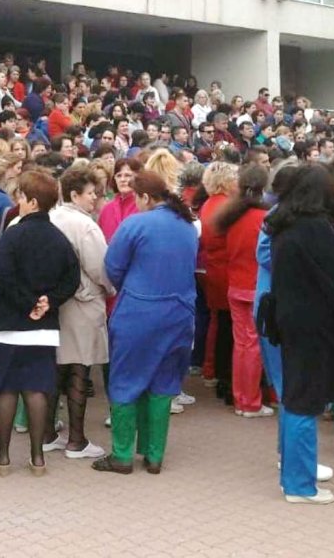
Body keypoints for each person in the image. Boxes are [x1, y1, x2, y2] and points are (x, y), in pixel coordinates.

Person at [266, 165, 334, 504]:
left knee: (295, 398)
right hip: (315, 325)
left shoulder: (282, 226)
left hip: (290, 320)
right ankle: (300, 485)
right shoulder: (317, 230)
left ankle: (292, 477)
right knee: (304, 403)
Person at [92, 171, 197, 475]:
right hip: (180, 312)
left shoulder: (135, 223)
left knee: (125, 379)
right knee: (164, 383)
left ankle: (122, 455)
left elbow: (112, 267)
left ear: (145, 197)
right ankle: (154, 455)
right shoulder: (188, 225)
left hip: (139, 311)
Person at [0, 170, 80, 476]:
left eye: (20, 196)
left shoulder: (13, 234)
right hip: (44, 328)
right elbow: (72, 279)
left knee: (7, 391)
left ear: (32, 201)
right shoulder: (60, 239)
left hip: (8, 324)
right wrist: (48, 301)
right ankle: (38, 459)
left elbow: (3, 276)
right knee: (37, 390)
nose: (17, 201)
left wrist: (27, 303)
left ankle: (3, 458)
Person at [44, 167, 114, 459]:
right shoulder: (85, 226)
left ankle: (47, 434)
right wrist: (111, 288)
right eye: (90, 194)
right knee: (79, 368)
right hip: (82, 303)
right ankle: (76, 440)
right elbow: (100, 268)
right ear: (75, 194)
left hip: (53, 303)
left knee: (56, 369)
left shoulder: (49, 217)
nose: (95, 199)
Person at [216, 163, 272, 417]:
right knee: (253, 346)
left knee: (242, 345)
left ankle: (242, 398)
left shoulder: (231, 216)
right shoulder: (264, 218)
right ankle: (249, 401)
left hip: (235, 284)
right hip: (255, 287)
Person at [197, 161, 237, 401]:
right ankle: (222, 374)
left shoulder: (209, 205)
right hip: (226, 271)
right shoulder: (225, 206)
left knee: (218, 322)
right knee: (225, 327)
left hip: (214, 269)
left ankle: (213, 370)